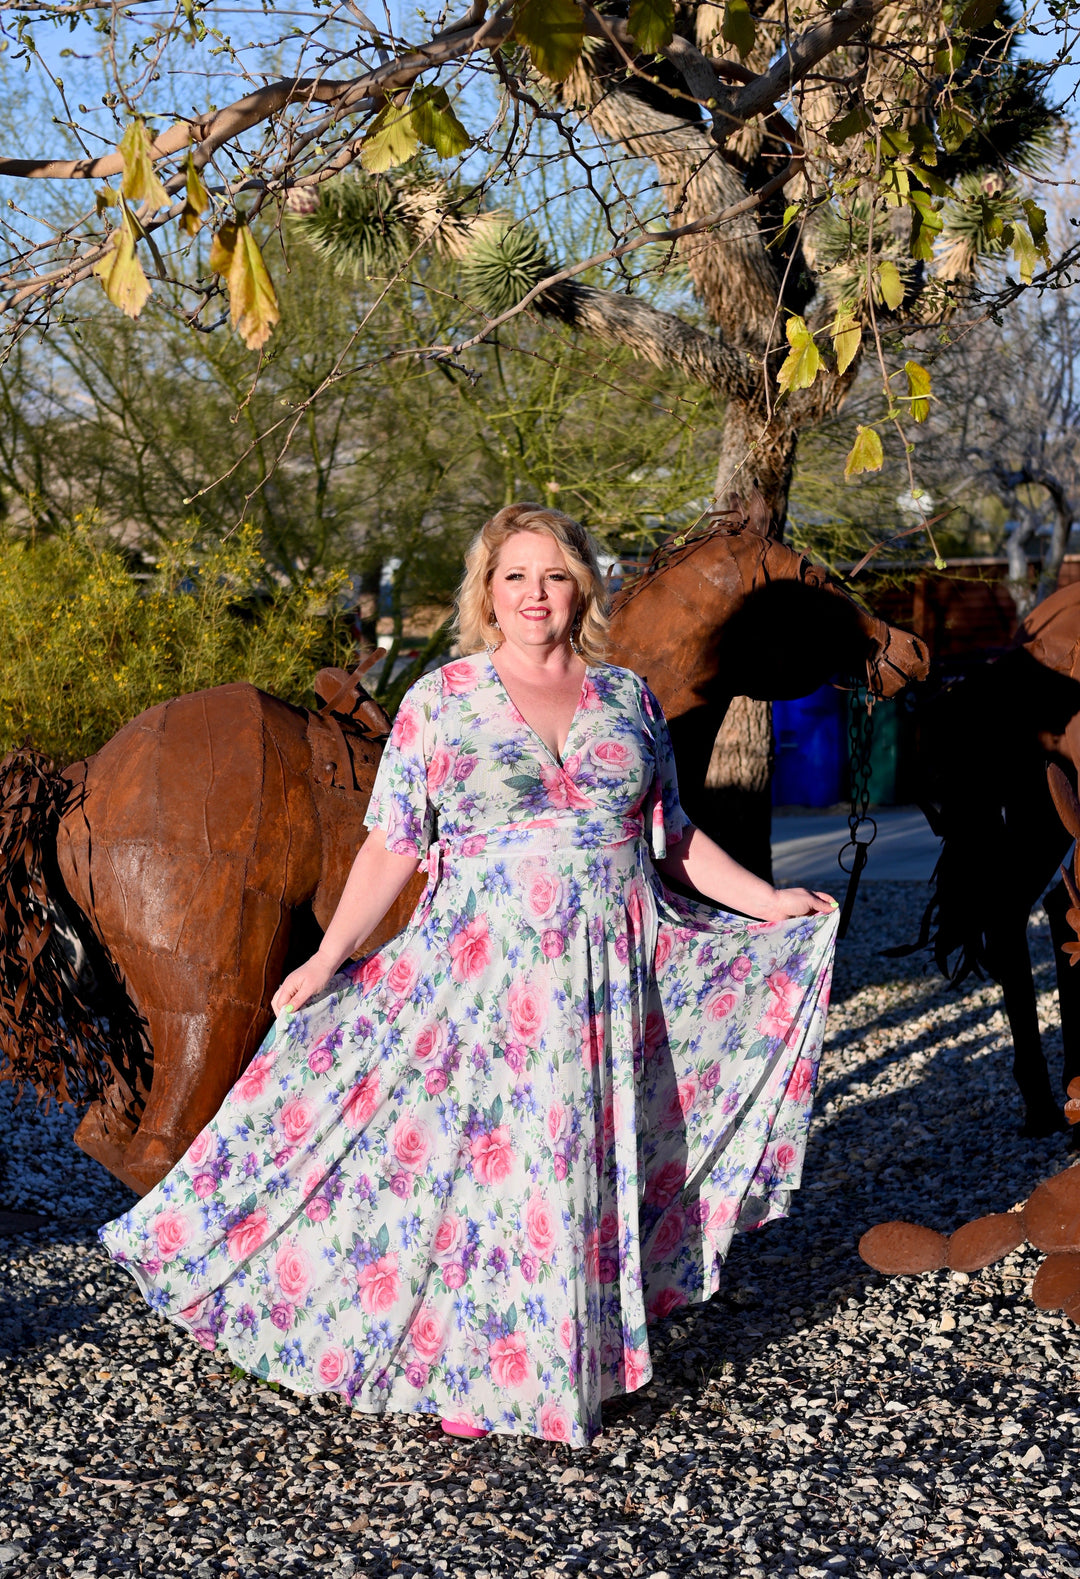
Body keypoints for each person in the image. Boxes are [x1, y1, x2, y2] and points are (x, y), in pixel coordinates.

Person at [100, 502, 838, 1448]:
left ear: (582, 587)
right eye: (516, 576)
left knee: (580, 1157)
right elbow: (393, 845)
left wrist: (768, 903)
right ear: (487, 593)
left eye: (555, 575)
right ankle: (477, 1364)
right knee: (482, 1174)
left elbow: (674, 839)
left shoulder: (627, 699)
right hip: (483, 981)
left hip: (608, 977)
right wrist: (329, 957)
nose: (537, 594)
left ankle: (576, 1361)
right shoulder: (442, 700)